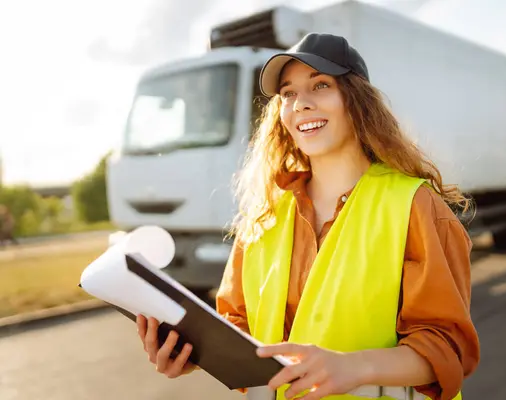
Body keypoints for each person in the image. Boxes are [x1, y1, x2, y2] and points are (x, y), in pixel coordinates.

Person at [136, 33, 480, 400]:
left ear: (358, 101)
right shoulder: (263, 217)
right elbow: (240, 330)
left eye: (320, 85)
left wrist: (354, 367)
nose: (301, 103)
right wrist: (193, 352)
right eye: (288, 94)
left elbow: (447, 349)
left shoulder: (415, 205)